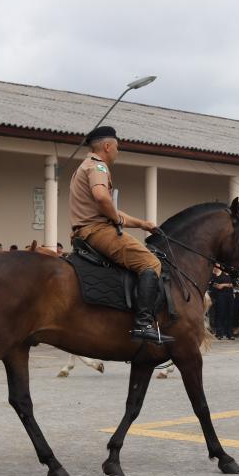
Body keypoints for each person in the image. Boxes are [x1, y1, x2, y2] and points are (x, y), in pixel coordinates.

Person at [69, 126, 169, 343]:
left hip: (88, 230)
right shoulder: (99, 166)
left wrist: (142, 224)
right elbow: (102, 199)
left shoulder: (83, 167)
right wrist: (115, 218)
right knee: (150, 264)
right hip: (97, 231)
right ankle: (143, 324)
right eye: (117, 148)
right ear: (107, 146)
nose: (117, 152)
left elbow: (111, 210)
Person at [210, 265, 235, 340]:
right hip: (220, 295)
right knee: (220, 314)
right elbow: (211, 283)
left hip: (229, 295)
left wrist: (223, 285)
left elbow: (233, 284)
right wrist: (217, 285)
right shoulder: (214, 274)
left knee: (230, 315)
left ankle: (229, 334)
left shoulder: (228, 274)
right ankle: (219, 333)